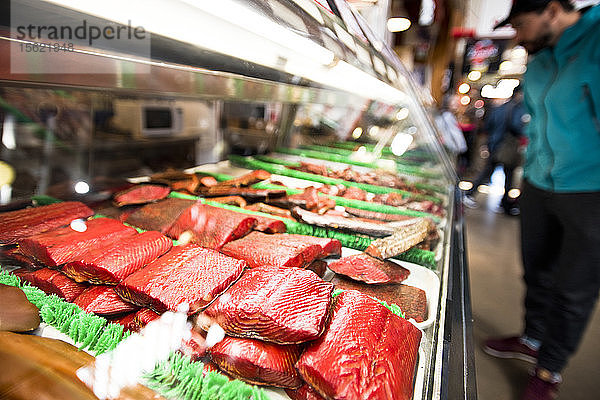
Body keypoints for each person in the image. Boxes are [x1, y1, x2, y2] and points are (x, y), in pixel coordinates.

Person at [482, 1, 600, 399]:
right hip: (538, 181)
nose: (517, 35)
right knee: (536, 270)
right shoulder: (540, 59)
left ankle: (549, 370)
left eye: (520, 25)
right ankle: (532, 339)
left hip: (590, 189)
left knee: (575, 286)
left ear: (551, 10)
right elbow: (534, 118)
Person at [463, 86, 526, 215]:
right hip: (506, 147)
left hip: (494, 144)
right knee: (508, 175)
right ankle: (505, 204)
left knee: (487, 171)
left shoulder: (500, 108)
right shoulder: (518, 109)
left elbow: (488, 125)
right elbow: (517, 127)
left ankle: (469, 194)